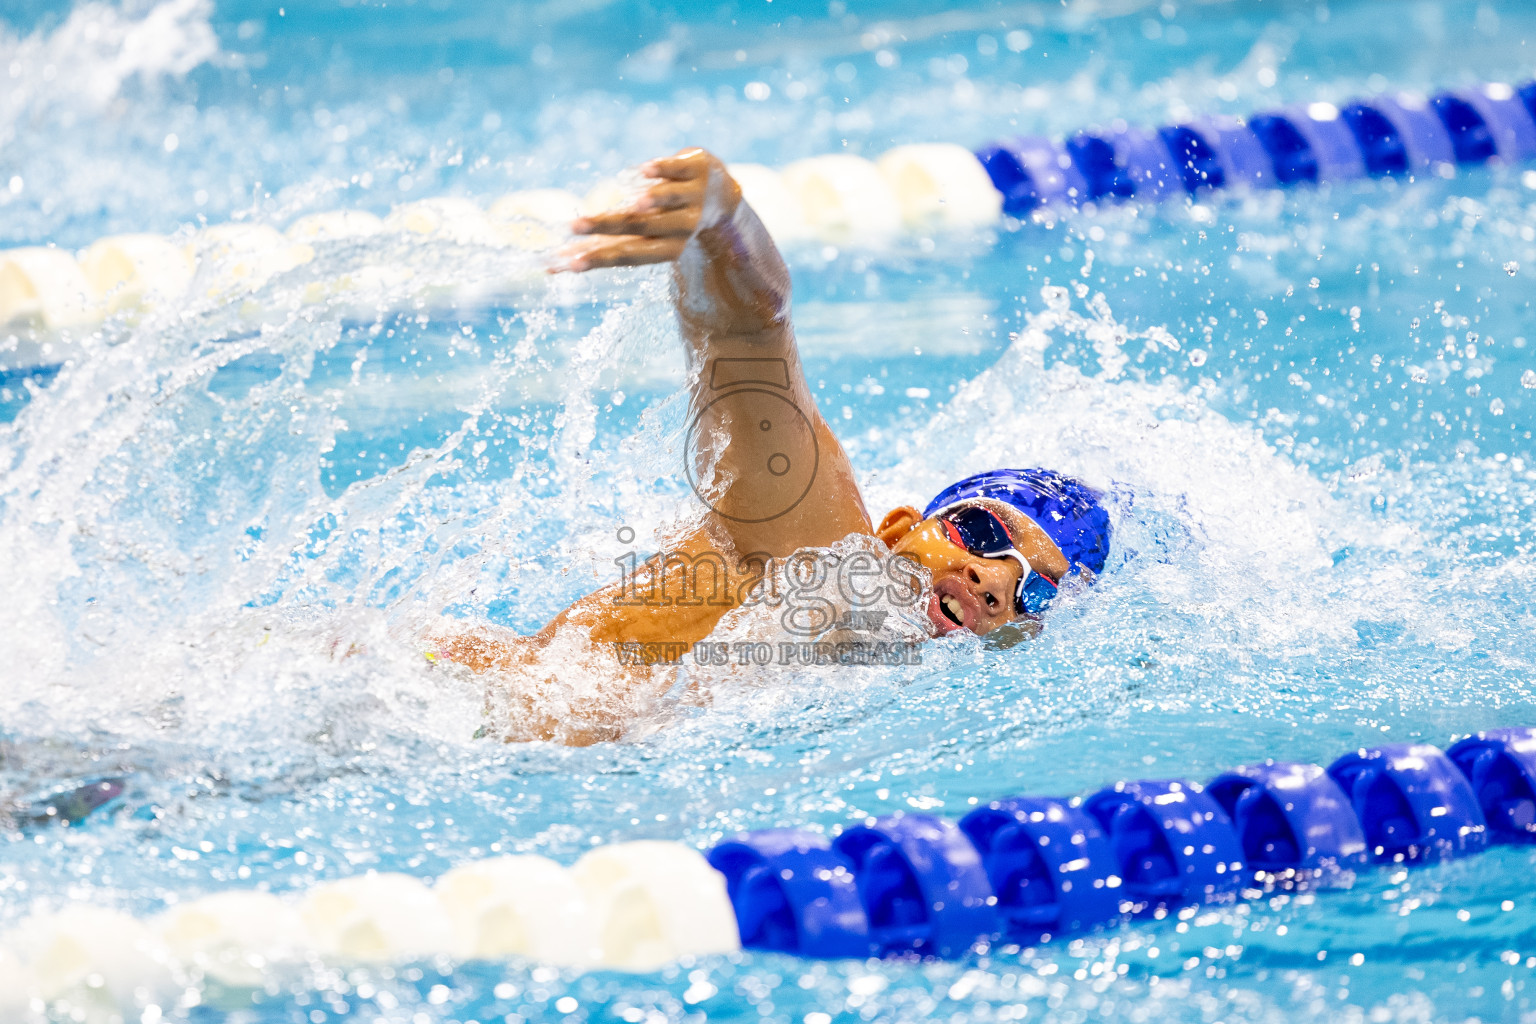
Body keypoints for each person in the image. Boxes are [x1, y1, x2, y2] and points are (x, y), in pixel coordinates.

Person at [431, 148, 1111, 742]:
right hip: (438, 708)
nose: (992, 581)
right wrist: (722, 220)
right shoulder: (826, 552)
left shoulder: (869, 666)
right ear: (901, 527)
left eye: (1033, 591)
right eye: (981, 532)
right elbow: (751, 336)